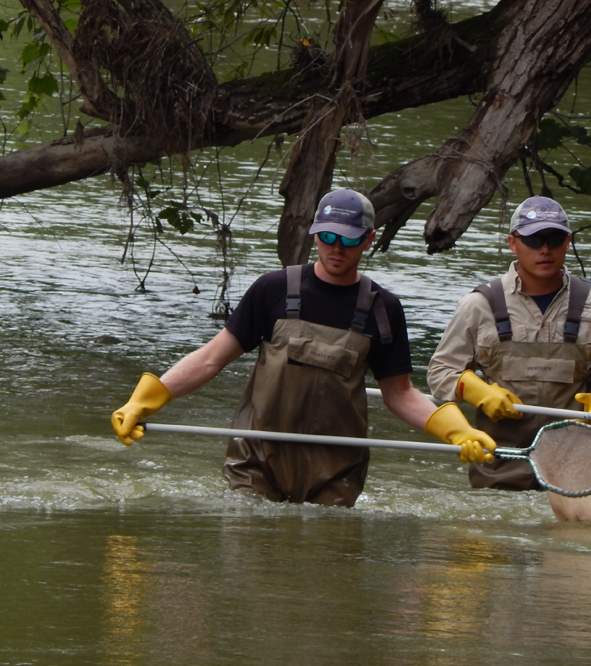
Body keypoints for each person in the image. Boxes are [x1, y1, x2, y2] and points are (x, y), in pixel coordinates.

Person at [111, 188, 495, 507]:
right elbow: (211, 359)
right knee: (249, 560)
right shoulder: (273, 289)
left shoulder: (384, 308)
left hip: (336, 472)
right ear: (314, 234)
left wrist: (455, 430)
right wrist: (148, 398)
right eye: (328, 237)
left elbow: (399, 394)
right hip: (256, 462)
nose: (337, 248)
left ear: (369, 239)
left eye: (349, 239)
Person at [426, 195, 591, 491]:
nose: (545, 249)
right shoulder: (479, 304)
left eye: (554, 239)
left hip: (575, 470)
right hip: (497, 465)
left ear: (568, 242)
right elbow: (441, 372)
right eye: (534, 240)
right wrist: (477, 391)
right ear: (513, 243)